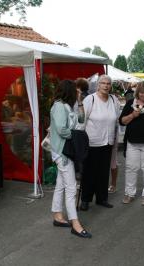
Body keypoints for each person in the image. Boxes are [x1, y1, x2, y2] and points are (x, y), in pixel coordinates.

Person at [49, 80, 92, 238]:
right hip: (63, 152)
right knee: (72, 187)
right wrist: (75, 136)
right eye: (76, 91)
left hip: (64, 151)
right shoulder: (60, 106)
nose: (78, 93)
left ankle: (57, 216)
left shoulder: (67, 105)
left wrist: (80, 103)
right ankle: (75, 223)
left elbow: (81, 121)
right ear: (69, 91)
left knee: (61, 184)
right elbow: (61, 130)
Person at [80, 75, 120, 211]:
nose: (106, 85)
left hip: (108, 142)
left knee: (103, 172)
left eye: (108, 83)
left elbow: (116, 121)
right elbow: (82, 121)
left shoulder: (114, 100)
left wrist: (115, 139)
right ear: (98, 85)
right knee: (89, 172)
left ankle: (102, 198)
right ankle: (85, 199)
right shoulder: (90, 99)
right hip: (92, 142)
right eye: (103, 83)